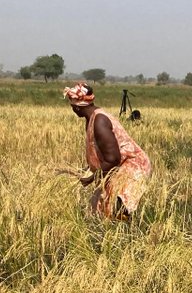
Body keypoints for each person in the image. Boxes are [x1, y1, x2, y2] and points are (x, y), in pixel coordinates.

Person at [63, 82, 152, 220]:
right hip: (117, 166)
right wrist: (88, 169)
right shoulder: (91, 119)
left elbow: (113, 159)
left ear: (77, 107)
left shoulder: (99, 121)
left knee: (116, 208)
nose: (71, 108)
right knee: (97, 209)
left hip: (131, 165)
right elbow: (102, 153)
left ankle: (127, 235)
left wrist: (91, 177)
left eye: (71, 105)